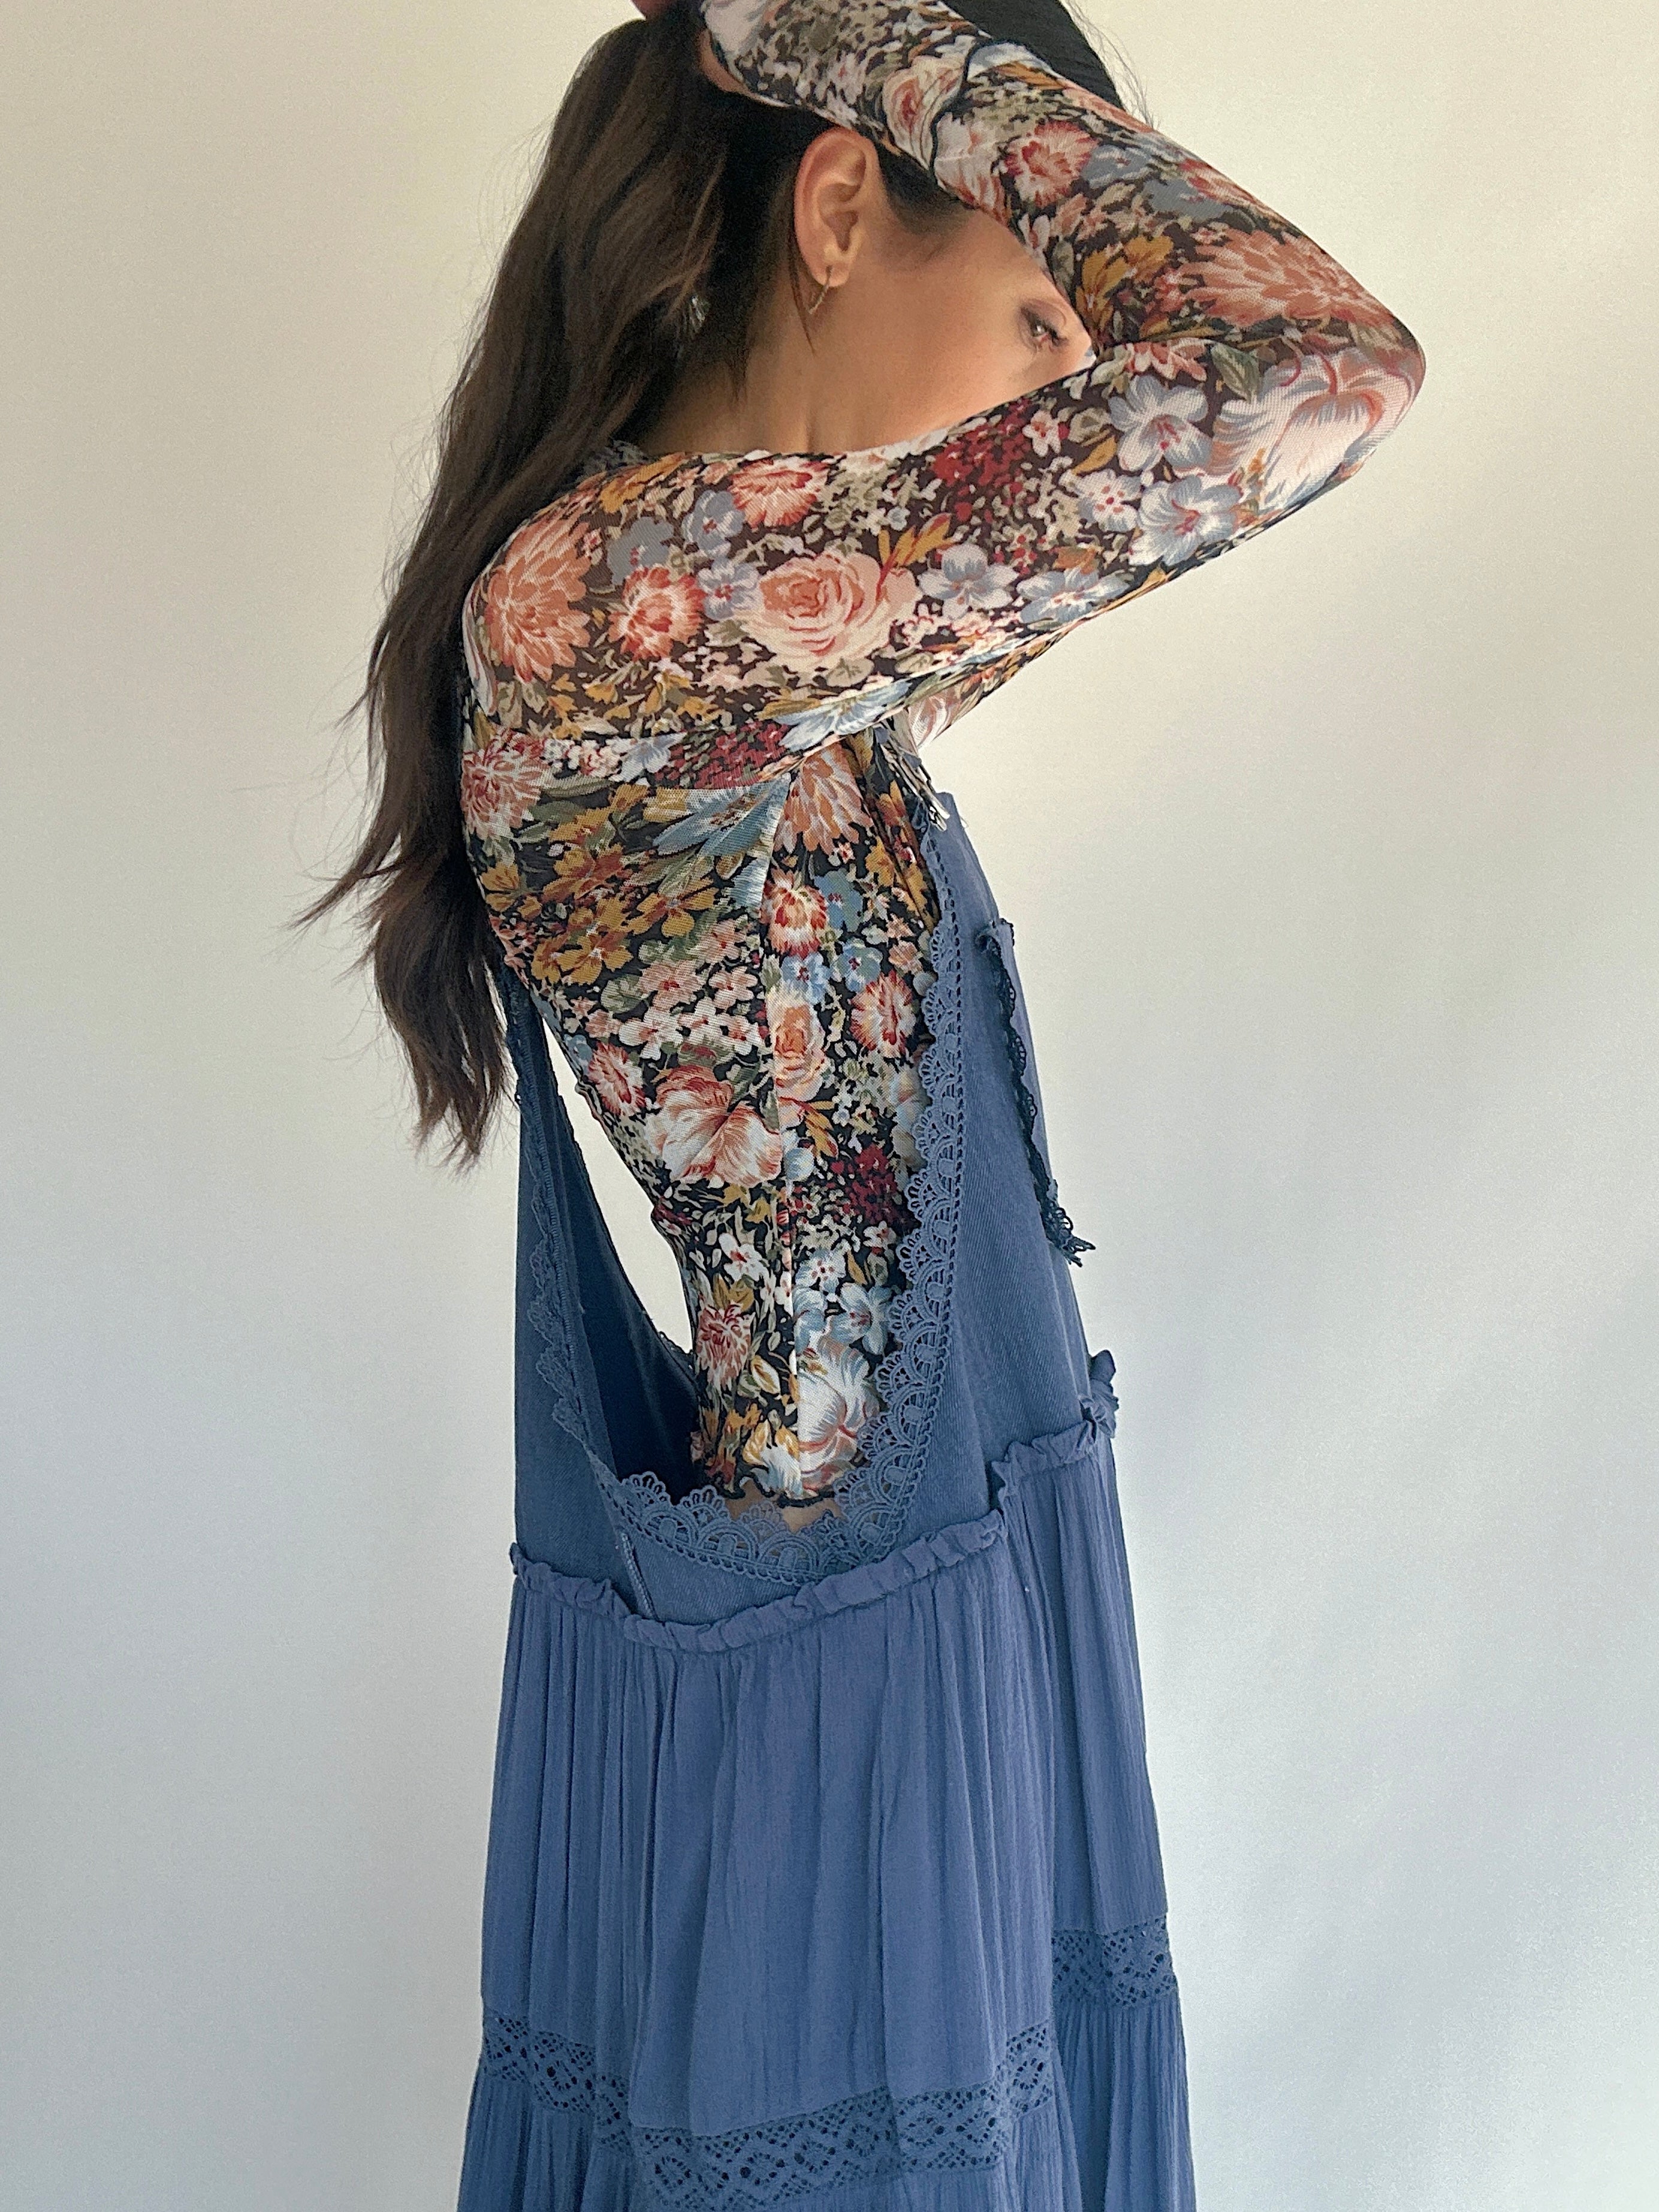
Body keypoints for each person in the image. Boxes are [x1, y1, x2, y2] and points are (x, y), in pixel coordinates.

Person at [309, 2, 1424, 2204]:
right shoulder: (604, 617)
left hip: (955, 1683)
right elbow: (1313, 374)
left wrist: (972, 148)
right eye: (1032, 308)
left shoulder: (795, 645)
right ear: (843, 207)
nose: (1057, 376)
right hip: (848, 1792)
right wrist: (879, 49)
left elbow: (1270, 397)